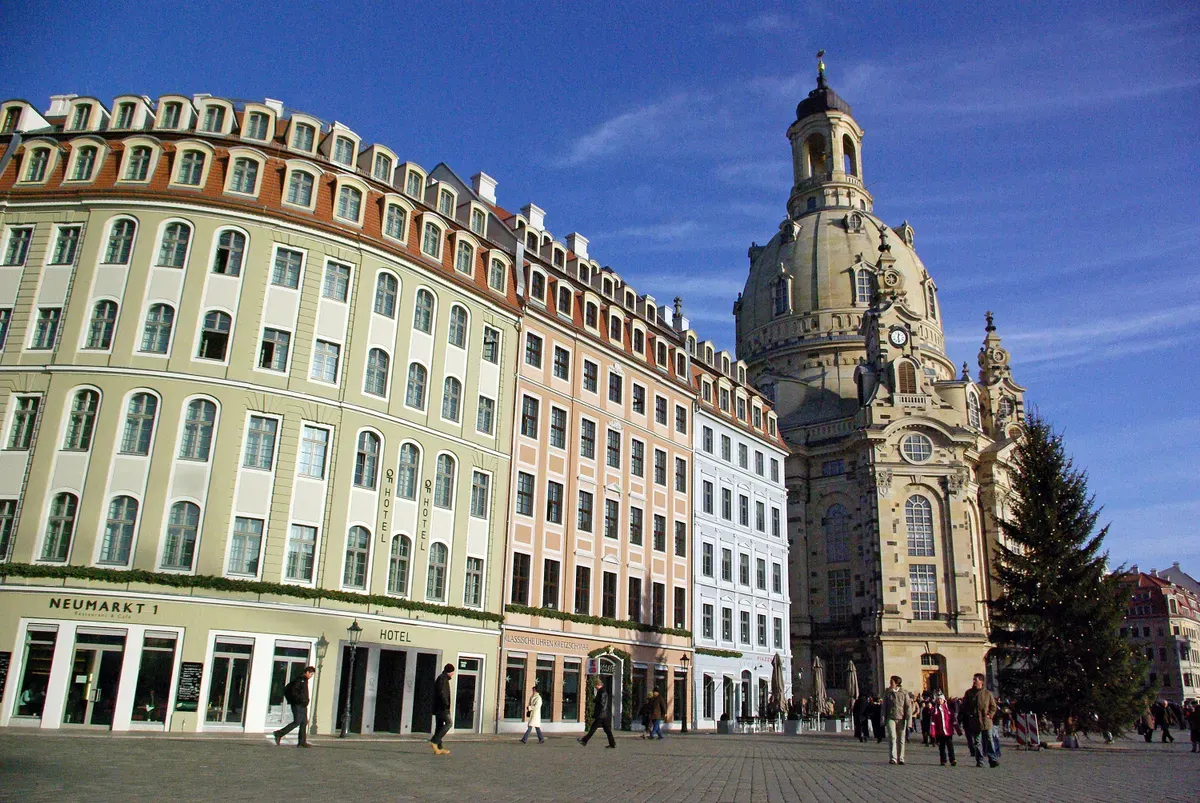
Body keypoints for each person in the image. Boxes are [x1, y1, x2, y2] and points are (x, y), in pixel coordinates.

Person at [273, 666, 316, 747]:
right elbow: (294, 692)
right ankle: (279, 733)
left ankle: (302, 742)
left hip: (303, 705)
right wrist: (300, 700)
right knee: (297, 721)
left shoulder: (304, 680)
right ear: (307, 672)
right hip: (298, 705)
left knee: (304, 722)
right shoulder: (300, 680)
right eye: (311, 674)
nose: (311, 676)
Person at [962, 673, 999, 768]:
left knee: (989, 740)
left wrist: (989, 715)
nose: (974, 681)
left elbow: (993, 707)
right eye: (973, 679)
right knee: (977, 741)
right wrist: (969, 714)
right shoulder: (969, 693)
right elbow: (964, 706)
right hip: (974, 721)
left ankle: (992, 759)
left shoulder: (988, 694)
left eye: (976, 680)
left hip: (986, 721)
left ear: (981, 682)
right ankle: (980, 760)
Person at [578, 678, 616, 748]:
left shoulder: (602, 691)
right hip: (604, 714)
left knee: (593, 728)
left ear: (598, 685)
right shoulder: (602, 691)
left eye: (596, 686)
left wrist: (596, 702)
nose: (595, 687)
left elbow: (602, 703)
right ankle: (612, 743)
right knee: (607, 730)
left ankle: (584, 741)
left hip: (601, 714)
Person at [884, 676, 912, 765]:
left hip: (901, 718)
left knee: (901, 739)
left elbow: (908, 707)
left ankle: (901, 758)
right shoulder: (888, 693)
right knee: (892, 736)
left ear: (896, 683)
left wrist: (909, 721)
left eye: (891, 681)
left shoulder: (904, 693)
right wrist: (883, 718)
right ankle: (893, 758)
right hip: (890, 717)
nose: (890, 683)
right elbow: (884, 707)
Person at [429, 663, 455, 755]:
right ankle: (434, 741)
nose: (453, 674)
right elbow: (442, 693)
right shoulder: (443, 679)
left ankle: (439, 748)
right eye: (452, 672)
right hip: (442, 707)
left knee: (439, 726)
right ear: (449, 671)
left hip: (438, 707)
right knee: (449, 723)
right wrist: (446, 704)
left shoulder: (443, 678)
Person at [929, 691, 957, 766]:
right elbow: (933, 722)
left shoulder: (948, 709)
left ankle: (952, 759)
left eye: (941, 699)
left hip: (948, 731)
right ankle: (943, 760)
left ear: (944, 700)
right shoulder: (935, 710)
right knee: (941, 747)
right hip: (940, 732)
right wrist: (933, 733)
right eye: (938, 700)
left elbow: (953, 719)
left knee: (950, 746)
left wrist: (957, 729)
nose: (939, 701)